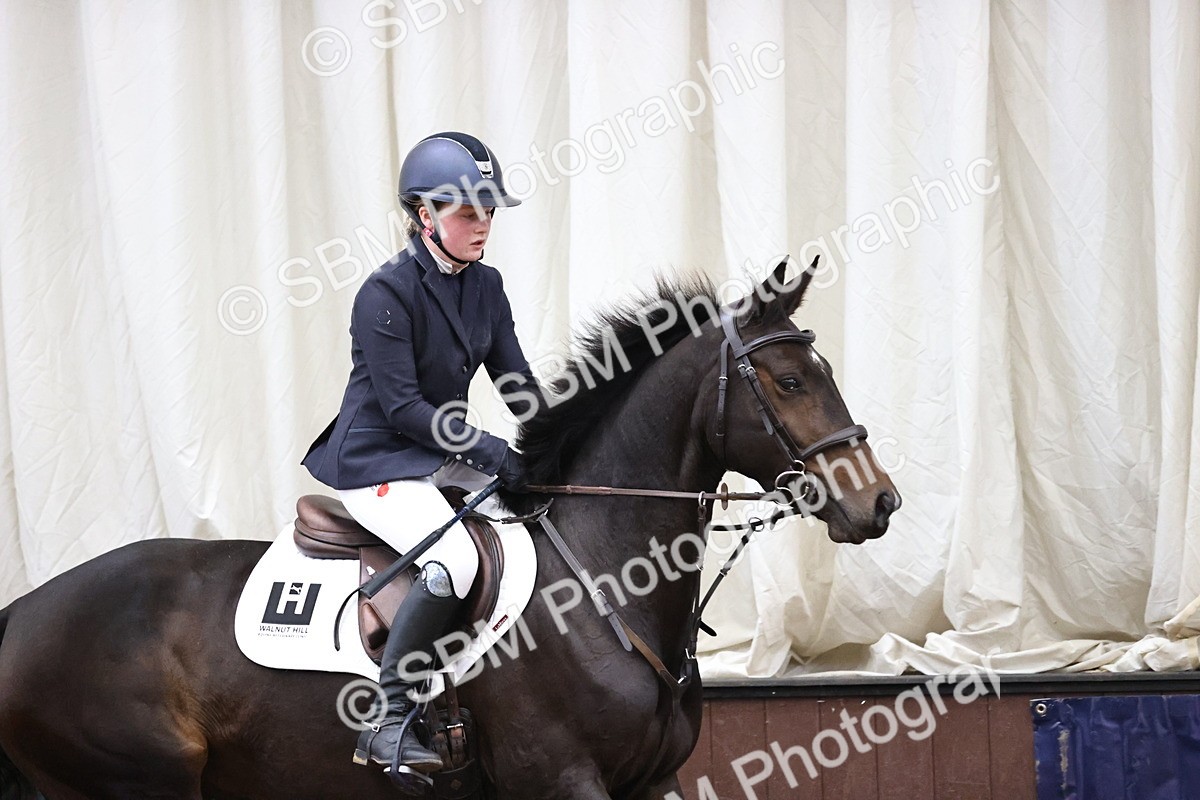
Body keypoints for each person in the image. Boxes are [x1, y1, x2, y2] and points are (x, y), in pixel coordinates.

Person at [301, 131, 540, 778]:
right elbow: (404, 410)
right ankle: (388, 718)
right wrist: (492, 451)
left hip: (435, 453)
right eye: (467, 212)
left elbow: (514, 380)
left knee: (537, 508)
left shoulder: (485, 286)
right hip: (378, 461)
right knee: (455, 559)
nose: (482, 224)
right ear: (424, 215)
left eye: (488, 211)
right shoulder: (386, 294)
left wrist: (555, 442)